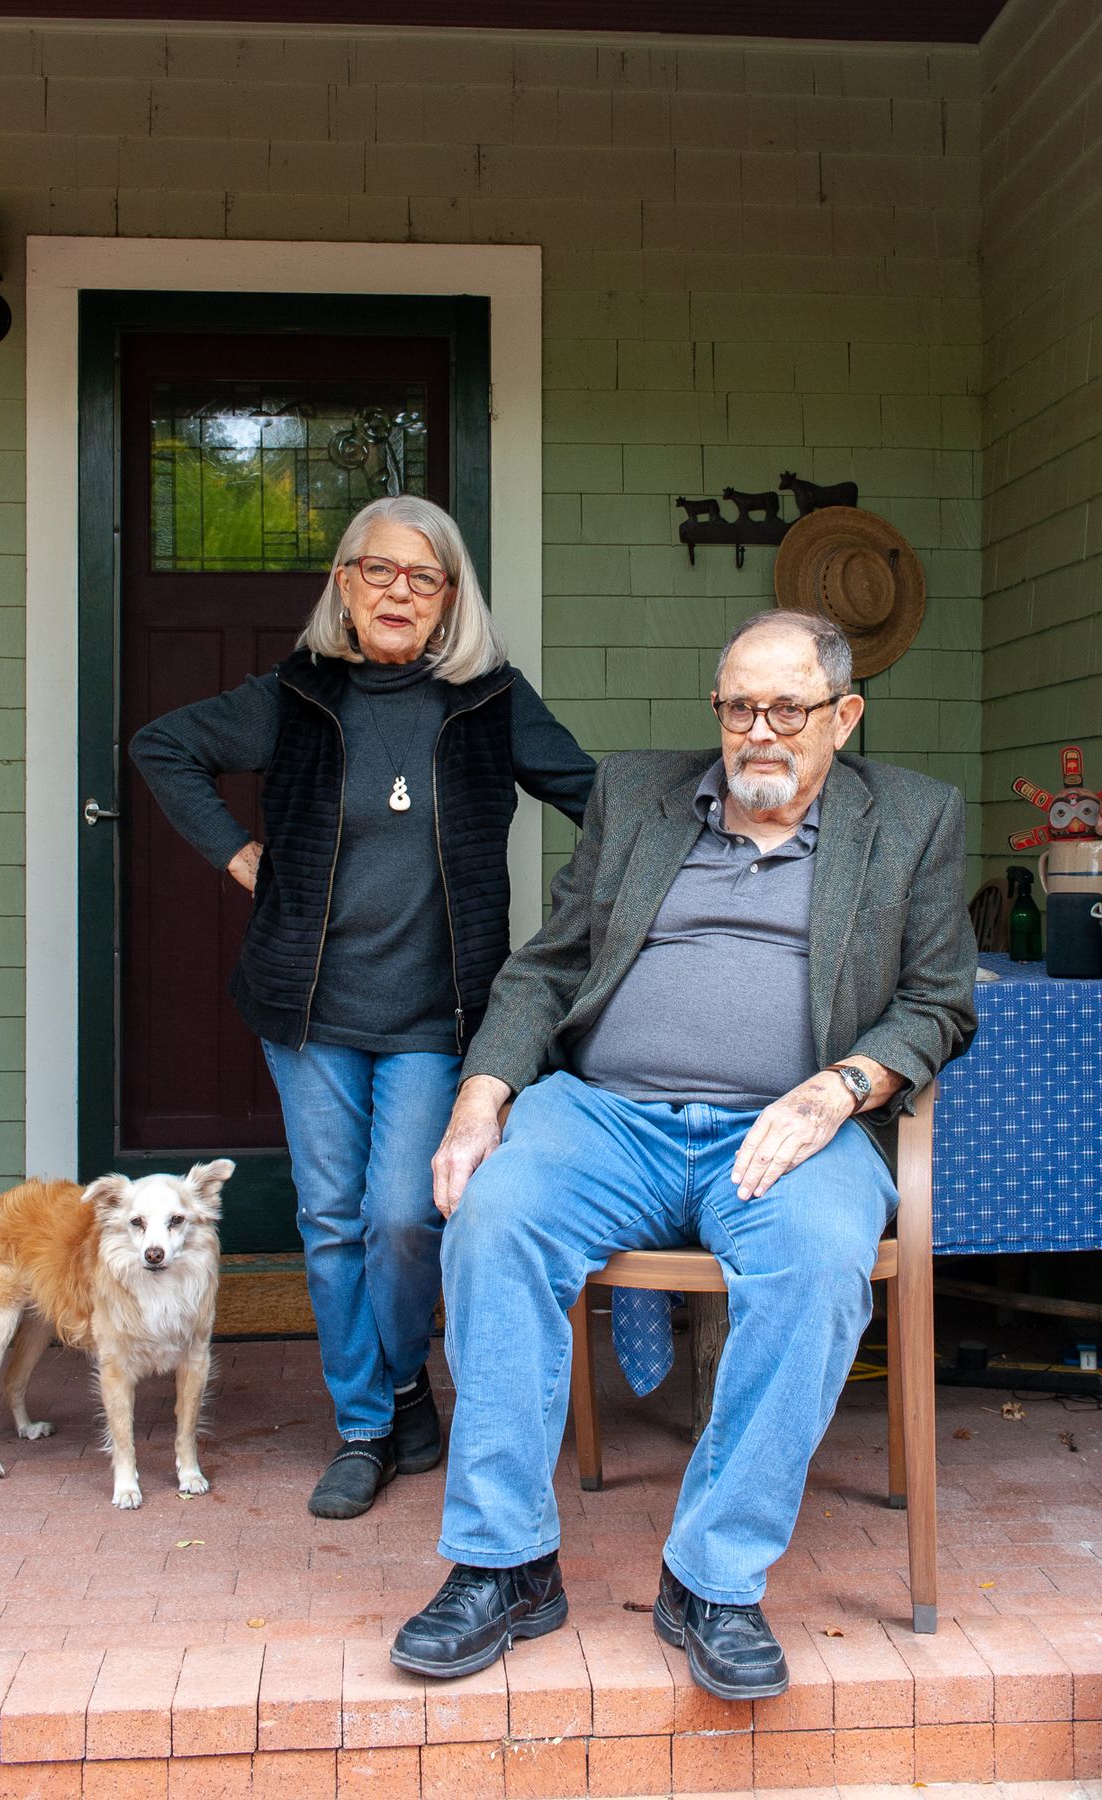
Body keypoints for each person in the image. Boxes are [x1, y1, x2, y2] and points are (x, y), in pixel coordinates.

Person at [390, 608, 977, 1697]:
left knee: (813, 1264)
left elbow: (939, 1003)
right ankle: (503, 1563)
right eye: (737, 707)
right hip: (608, 1117)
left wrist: (847, 1085)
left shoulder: (913, 819)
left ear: (843, 717)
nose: (758, 730)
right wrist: (482, 1096)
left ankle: (713, 1579)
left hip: (788, 1128)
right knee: (496, 1218)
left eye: (787, 709)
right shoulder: (639, 796)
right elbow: (549, 964)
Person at [130, 496, 595, 1520]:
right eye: (378, 572)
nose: (398, 593)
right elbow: (162, 746)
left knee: (400, 1218)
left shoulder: (489, 701)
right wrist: (240, 855)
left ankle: (393, 1383)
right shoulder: (294, 698)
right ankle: (370, 1420)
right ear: (343, 585)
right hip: (307, 1009)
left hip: (439, 1010)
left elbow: (598, 801)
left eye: (423, 579)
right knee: (331, 1220)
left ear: (448, 600)